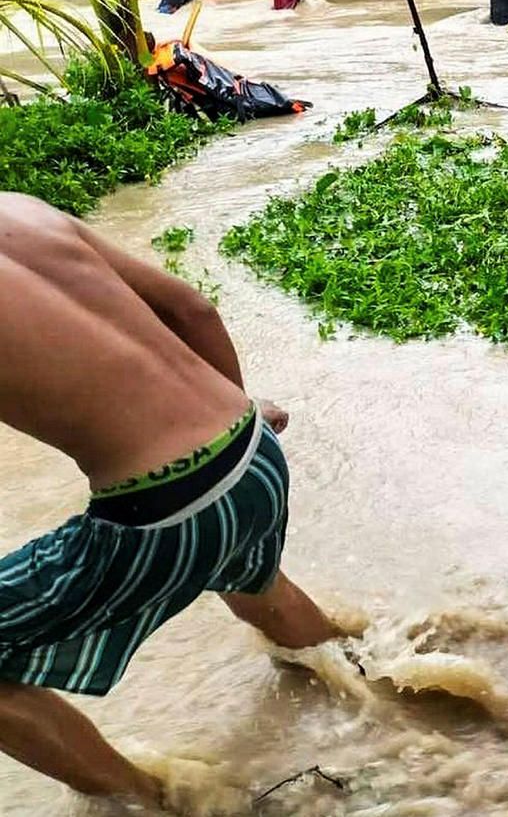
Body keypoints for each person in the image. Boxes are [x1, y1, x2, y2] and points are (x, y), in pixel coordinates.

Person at [0, 193, 343, 808]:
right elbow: (195, 308)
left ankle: (146, 803)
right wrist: (238, 407)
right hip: (252, 449)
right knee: (256, 586)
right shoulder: (20, 210)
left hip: (162, 512)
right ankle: (364, 686)